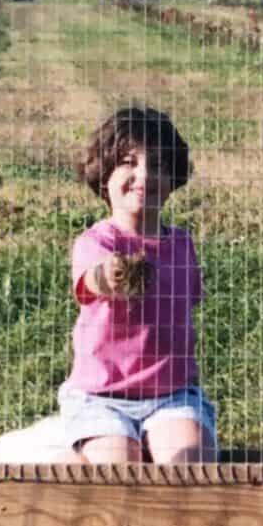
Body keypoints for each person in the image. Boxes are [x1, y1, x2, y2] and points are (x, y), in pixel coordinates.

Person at [54, 106, 217, 464]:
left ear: (173, 177)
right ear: (104, 175)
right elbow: (92, 280)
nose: (144, 175)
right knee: (120, 472)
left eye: (158, 165)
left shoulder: (181, 245)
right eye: (129, 162)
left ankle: (151, 440)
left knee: (189, 467)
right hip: (102, 398)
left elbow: (187, 305)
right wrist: (108, 276)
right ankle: (99, 443)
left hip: (172, 396)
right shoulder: (97, 243)